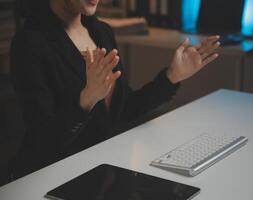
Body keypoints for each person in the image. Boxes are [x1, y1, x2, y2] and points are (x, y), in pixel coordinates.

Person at [10, 0, 220, 178]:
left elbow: (124, 109)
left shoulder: (101, 31)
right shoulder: (29, 43)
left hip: (101, 169)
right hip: (51, 176)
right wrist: (85, 101)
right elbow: (42, 141)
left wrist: (172, 76)